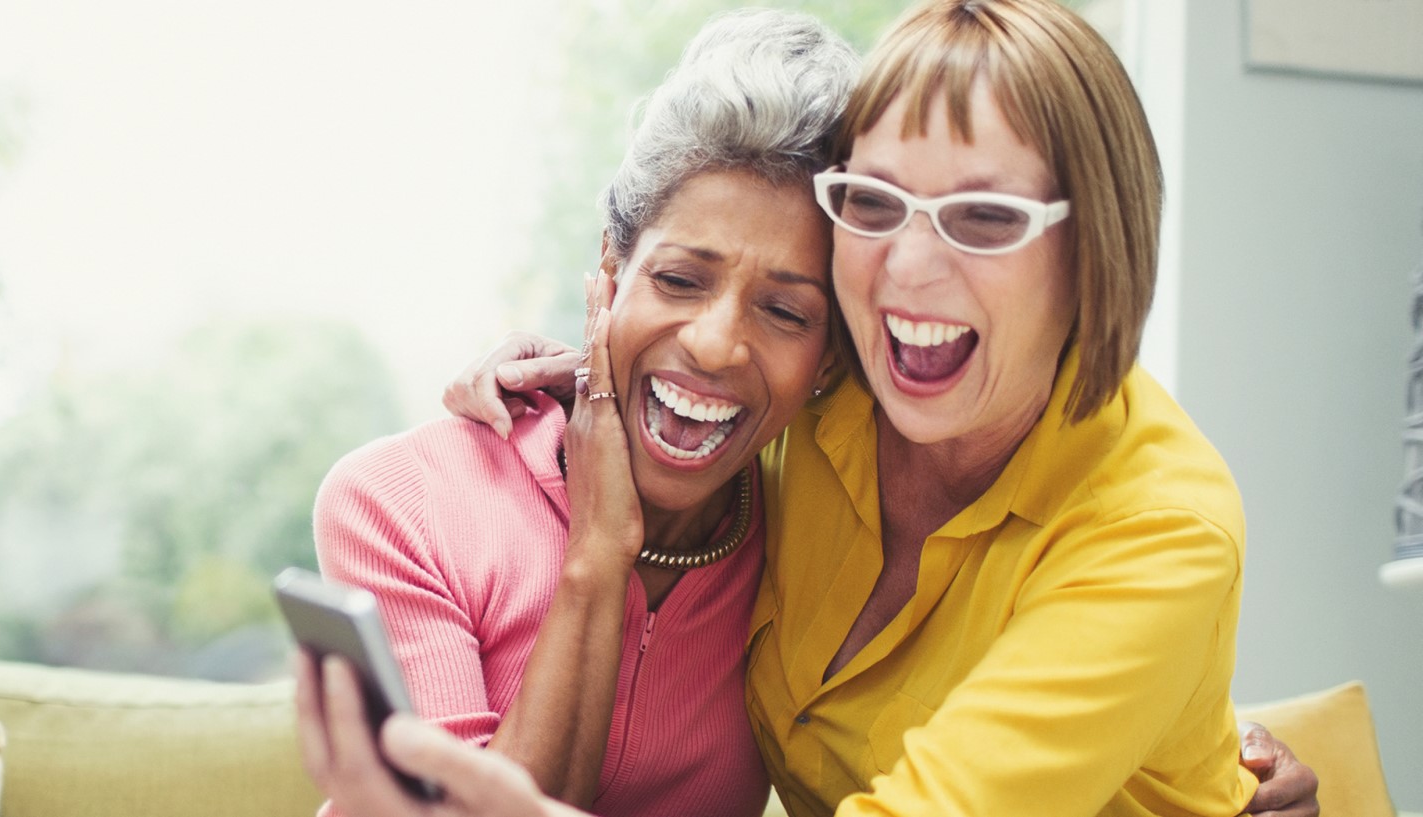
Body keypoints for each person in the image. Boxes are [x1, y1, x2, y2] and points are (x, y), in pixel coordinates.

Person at [304, 0, 1324, 815]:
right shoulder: (825, 407)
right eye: (874, 205)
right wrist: (575, 376)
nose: (908, 273)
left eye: (982, 217)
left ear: (1094, 246)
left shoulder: (1157, 528)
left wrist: (1199, 750)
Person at [309, 10, 854, 815]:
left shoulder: (816, 535)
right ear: (610, 268)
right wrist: (599, 551)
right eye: (678, 280)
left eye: (784, 311)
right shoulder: (397, 504)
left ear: (830, 357)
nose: (714, 344)